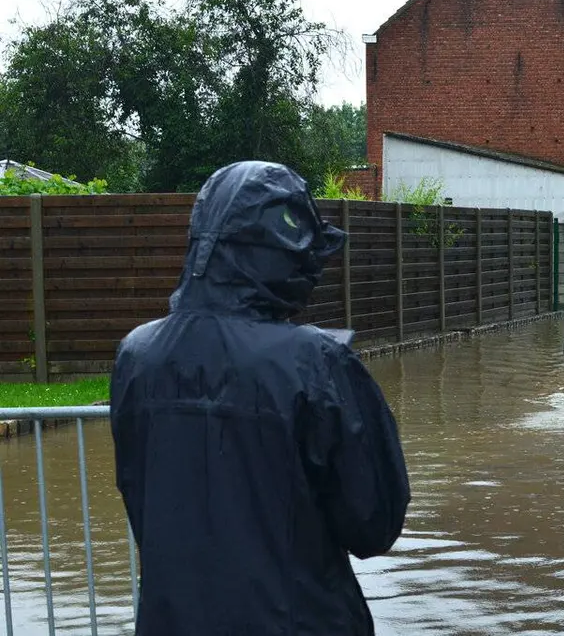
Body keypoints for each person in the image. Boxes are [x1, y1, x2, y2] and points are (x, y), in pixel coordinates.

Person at [109, 161, 411, 636]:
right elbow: (374, 523)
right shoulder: (315, 362)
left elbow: (139, 494)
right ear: (289, 256)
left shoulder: (136, 356)